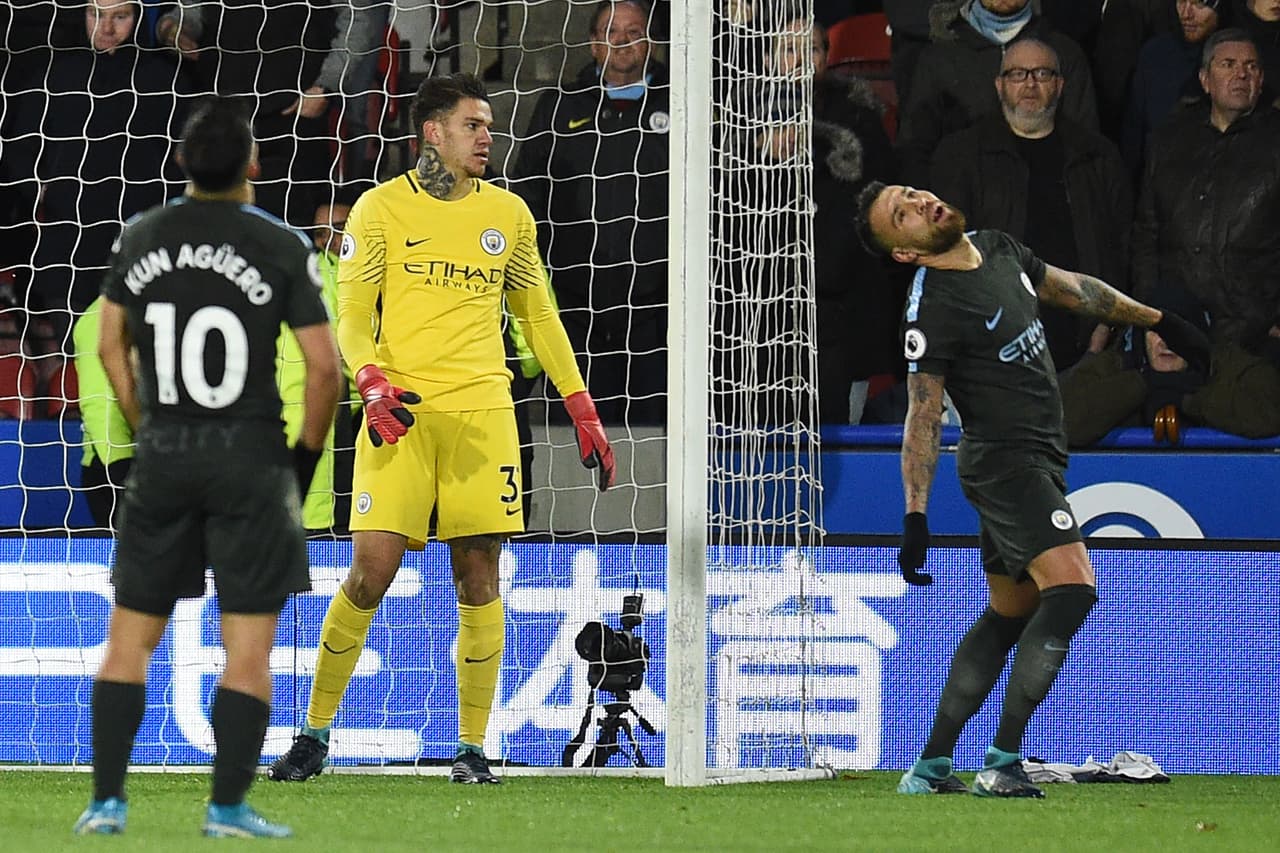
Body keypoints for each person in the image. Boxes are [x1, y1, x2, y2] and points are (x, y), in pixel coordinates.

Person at [268, 72, 615, 786]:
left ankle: (472, 747)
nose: (488, 137)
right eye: (473, 125)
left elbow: (538, 314)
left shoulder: (510, 214)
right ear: (433, 132)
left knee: (479, 575)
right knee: (372, 568)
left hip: (484, 412)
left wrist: (579, 402)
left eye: (489, 126)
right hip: (400, 411)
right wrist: (368, 379)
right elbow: (354, 314)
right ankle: (313, 733)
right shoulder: (378, 209)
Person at [853, 181, 1209, 797]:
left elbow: (1075, 289)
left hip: (1039, 457)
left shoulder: (997, 248)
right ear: (904, 253)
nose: (920, 204)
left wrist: (1161, 321)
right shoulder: (931, 305)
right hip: (1005, 465)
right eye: (901, 214)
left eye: (913, 194)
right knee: (1071, 591)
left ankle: (931, 767)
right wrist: (915, 512)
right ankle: (1002, 759)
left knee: (1008, 614)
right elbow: (923, 413)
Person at [72, 97, 343, 837]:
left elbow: (106, 346)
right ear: (253, 165)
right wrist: (300, 459)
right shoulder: (282, 244)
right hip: (250, 461)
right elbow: (326, 370)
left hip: (164, 458)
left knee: (130, 637)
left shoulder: (141, 235)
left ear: (184, 163)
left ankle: (106, 802)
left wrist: (147, 423)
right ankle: (226, 805)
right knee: (245, 644)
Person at [510, 0, 670, 426]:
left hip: (659, 311)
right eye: (612, 31)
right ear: (594, 45)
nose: (623, 40)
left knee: (654, 433)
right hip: (576, 304)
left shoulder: (684, 102)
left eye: (634, 30)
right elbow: (526, 187)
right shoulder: (559, 105)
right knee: (577, 432)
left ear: (651, 40)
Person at [931, 36, 1132, 372]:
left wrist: (1106, 325)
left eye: (1041, 74)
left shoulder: (1098, 156)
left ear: (1060, 85)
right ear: (999, 85)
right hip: (992, 349)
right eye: (1017, 74)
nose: (1029, 84)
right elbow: (945, 253)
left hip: (1085, 347)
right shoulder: (960, 156)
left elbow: (1123, 246)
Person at [1132, 28, 1280, 438]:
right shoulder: (1167, 141)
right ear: (1204, 79)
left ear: (1262, 80)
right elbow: (1146, 234)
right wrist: (1147, 314)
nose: (1241, 75)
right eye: (1228, 65)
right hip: (1177, 334)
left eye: (1251, 67)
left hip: (1254, 337)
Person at [156, 0, 385, 225]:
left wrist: (326, 86)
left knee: (295, 219)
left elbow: (358, 18)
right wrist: (172, 27)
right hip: (224, 116)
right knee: (217, 223)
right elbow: (190, 12)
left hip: (296, 117)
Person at [896, 0, 1099, 186]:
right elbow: (915, 153)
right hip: (958, 209)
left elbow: (1087, 151)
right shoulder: (938, 59)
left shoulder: (1065, 54)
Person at [1059, 287, 1210, 446]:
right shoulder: (1114, 368)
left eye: (1178, 333)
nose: (1165, 342)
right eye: (1155, 331)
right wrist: (1144, 383)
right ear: (1141, 337)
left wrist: (1187, 401)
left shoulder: (1217, 373)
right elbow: (1056, 422)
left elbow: (1236, 413)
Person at [1121, 0, 1226, 179]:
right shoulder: (1155, 54)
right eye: (1181, 2)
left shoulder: (1242, 58)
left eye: (1199, 4)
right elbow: (1134, 133)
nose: (1186, 14)